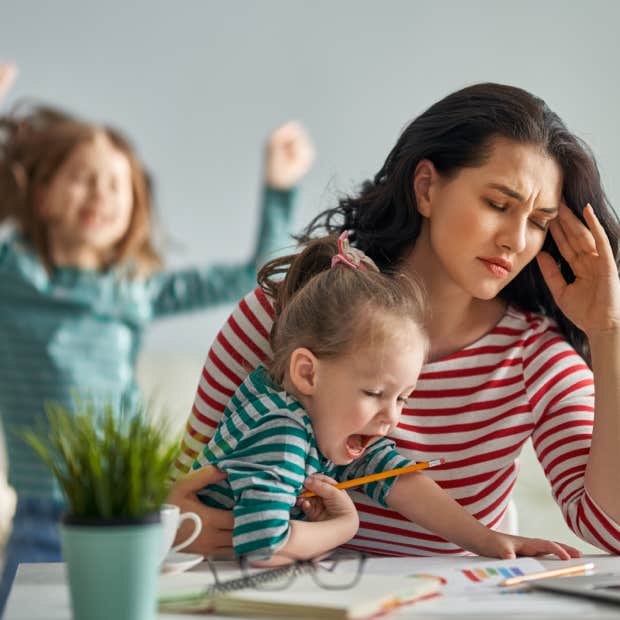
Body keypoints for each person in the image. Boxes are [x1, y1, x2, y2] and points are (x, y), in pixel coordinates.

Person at [169, 82, 620, 558]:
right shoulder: (283, 312)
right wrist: (174, 518)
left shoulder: (534, 359)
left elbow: (612, 531)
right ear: (426, 188)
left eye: (538, 221)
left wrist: (607, 334)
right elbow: (184, 478)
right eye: (498, 204)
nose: (514, 240)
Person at [0, 63, 315, 612]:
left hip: (132, 507)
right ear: (44, 195)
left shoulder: (134, 290)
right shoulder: (12, 278)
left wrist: (279, 188)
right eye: (83, 177)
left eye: (117, 183)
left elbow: (256, 276)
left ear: (134, 208)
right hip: (42, 514)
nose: (101, 192)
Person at [193, 232, 580, 563]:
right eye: (376, 393)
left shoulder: (318, 418)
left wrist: (488, 540)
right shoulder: (281, 432)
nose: (391, 418)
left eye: (403, 399)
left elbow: (398, 478)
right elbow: (262, 546)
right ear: (307, 373)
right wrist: (344, 526)